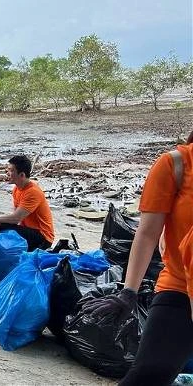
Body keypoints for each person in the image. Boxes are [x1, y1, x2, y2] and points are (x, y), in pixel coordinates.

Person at [82, 141, 192, 385]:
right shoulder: (176, 165)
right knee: (150, 373)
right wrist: (129, 291)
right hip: (180, 286)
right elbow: (148, 233)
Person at [0, 155, 54, 251]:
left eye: (11, 171)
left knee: (6, 227)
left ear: (22, 175)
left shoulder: (32, 192)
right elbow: (16, 217)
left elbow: (16, 218)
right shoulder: (17, 189)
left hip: (43, 237)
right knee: (5, 227)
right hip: (29, 230)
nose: (7, 173)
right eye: (7, 170)